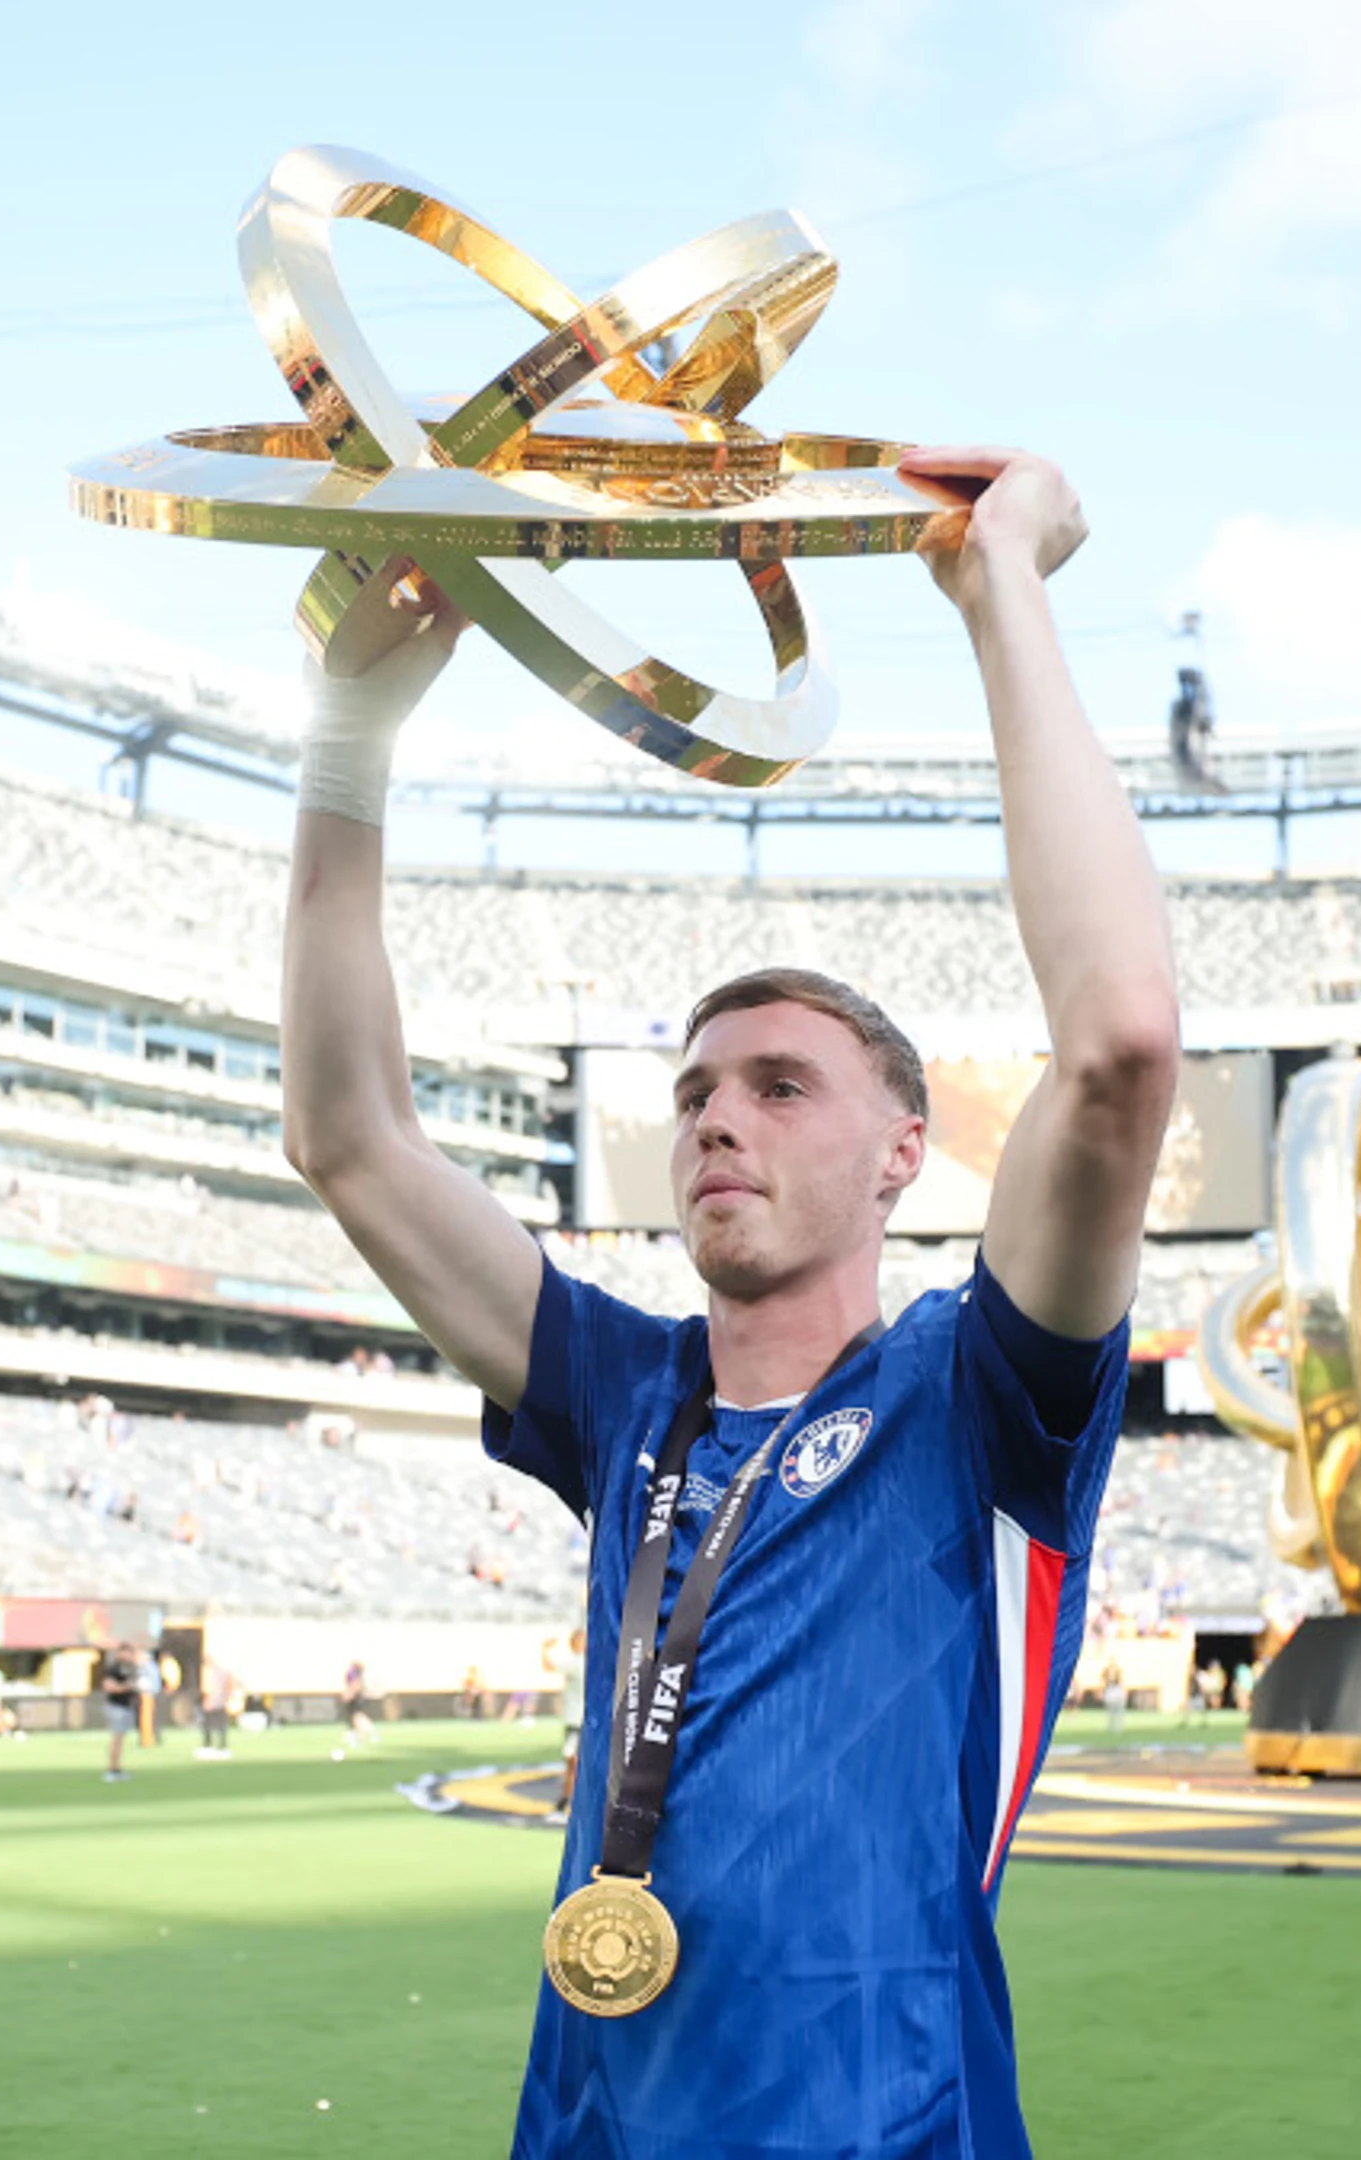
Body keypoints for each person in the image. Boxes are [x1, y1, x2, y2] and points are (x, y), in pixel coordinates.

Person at [275, 447, 1174, 2155]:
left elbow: (1121, 1046)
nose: (715, 1120)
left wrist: (1003, 590)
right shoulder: (625, 1392)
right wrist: (350, 738)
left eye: (779, 1087)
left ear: (903, 1153)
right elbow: (348, 1137)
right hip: (590, 2120)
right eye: (694, 1093)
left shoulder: (984, 1399)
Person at [98, 1640, 145, 1783]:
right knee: (116, 1739)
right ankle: (112, 1770)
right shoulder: (114, 1668)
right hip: (116, 1706)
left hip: (126, 1706)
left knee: (121, 1740)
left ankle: (117, 1768)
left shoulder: (131, 1668)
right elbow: (108, 1687)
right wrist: (128, 1687)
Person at [195, 1659, 239, 1762]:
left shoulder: (213, 1673)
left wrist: (208, 1701)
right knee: (220, 1726)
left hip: (215, 1702)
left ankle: (210, 1746)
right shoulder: (222, 1672)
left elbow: (211, 1689)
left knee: (209, 1725)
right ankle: (221, 1747)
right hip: (221, 1702)